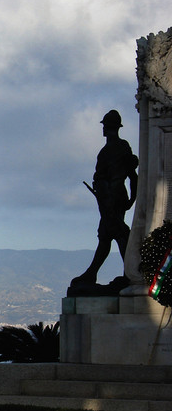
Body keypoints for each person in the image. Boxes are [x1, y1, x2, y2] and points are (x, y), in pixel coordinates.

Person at [72, 110, 138, 286]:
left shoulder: (107, 151)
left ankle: (131, 274)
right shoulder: (123, 147)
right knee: (106, 235)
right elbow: (133, 177)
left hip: (111, 198)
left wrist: (111, 198)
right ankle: (94, 273)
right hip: (117, 197)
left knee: (117, 234)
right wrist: (132, 198)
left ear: (106, 128)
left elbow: (102, 178)